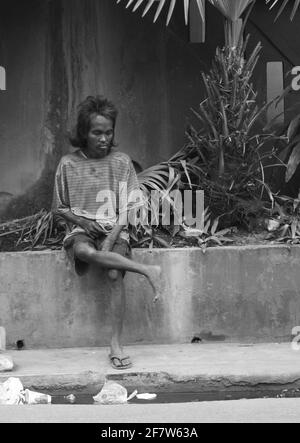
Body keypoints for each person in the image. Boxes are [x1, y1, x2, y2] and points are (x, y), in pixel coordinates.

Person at [52, 95, 161, 370]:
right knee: (83, 251)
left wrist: (112, 237)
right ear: (83, 133)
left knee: (114, 274)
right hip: (81, 228)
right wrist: (84, 223)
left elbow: (129, 207)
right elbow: (59, 209)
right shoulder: (68, 164)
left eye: (108, 132)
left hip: (115, 227)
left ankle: (116, 344)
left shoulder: (122, 162)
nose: (103, 138)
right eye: (96, 132)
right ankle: (147, 270)